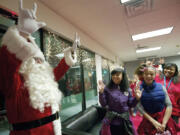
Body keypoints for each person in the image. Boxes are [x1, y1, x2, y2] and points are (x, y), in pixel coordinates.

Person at [0, 0, 80, 135]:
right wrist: (21, 35)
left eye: (39, 59)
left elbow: (51, 77)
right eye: (35, 58)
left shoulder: (36, 74)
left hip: (53, 129)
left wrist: (68, 57)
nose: (38, 62)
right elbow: (7, 69)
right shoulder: (14, 78)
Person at [134, 66, 180, 135]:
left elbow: (169, 105)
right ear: (143, 75)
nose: (149, 76)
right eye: (146, 74)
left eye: (151, 74)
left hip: (163, 118)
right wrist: (137, 98)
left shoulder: (161, 87)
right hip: (148, 120)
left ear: (155, 75)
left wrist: (164, 123)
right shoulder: (138, 89)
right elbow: (139, 107)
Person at [98, 68, 139, 135]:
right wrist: (101, 93)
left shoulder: (127, 89)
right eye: (113, 74)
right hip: (112, 119)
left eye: (117, 74)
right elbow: (103, 104)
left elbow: (131, 104)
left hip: (125, 119)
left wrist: (137, 98)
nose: (115, 76)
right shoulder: (107, 88)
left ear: (122, 76)